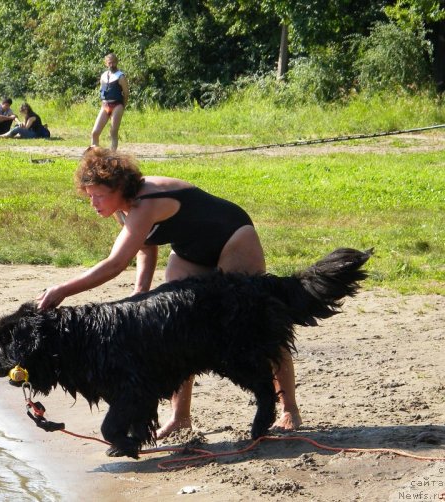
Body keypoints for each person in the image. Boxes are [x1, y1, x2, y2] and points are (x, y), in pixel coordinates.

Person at [38, 147, 302, 439]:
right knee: (176, 330)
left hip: (233, 238)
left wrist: (62, 290)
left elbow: (115, 263)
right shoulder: (123, 207)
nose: (93, 203)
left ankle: (288, 408)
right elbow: (146, 246)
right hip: (191, 251)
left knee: (254, 327)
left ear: (118, 188)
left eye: (98, 195)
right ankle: (180, 417)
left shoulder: (145, 201)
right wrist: (140, 291)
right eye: (89, 195)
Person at [91, 53, 129, 150]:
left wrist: (122, 106)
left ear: (117, 62)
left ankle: (113, 155)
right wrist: (103, 105)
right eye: (109, 63)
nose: (112, 65)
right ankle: (95, 154)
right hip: (105, 105)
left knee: (113, 131)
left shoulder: (120, 76)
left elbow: (126, 93)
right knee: (95, 132)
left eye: (113, 62)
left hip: (117, 105)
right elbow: (102, 90)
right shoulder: (103, 76)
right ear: (106, 63)